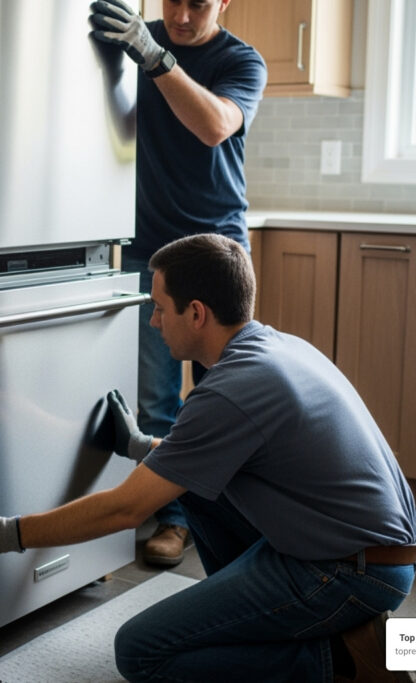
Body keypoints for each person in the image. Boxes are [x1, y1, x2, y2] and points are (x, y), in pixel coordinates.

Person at [0, 233, 416, 682]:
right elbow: (216, 455)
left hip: (349, 572)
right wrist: (142, 447)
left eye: (162, 307)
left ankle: (341, 661)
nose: (154, 320)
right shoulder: (271, 349)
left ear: (197, 313)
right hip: (361, 551)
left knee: (143, 653)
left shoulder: (232, 389)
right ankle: (274, 625)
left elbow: (127, 510)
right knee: (196, 492)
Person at [89, 0, 268, 565]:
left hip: (217, 250)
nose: (184, 14)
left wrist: (154, 55)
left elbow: (215, 126)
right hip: (144, 247)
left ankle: (239, 519)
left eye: (199, 3)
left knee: (228, 395)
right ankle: (173, 520)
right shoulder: (133, 39)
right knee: (155, 396)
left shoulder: (242, 61)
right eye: (173, 1)